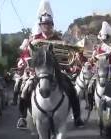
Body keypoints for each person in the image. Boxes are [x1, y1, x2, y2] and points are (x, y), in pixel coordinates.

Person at [16, 1, 84, 129]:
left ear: (52, 25)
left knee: (72, 89)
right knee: (25, 89)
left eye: (48, 24)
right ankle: (22, 117)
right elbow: (25, 54)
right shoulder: (34, 40)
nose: (46, 26)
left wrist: (71, 66)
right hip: (37, 72)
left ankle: (77, 117)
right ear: (40, 26)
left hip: (56, 73)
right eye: (43, 24)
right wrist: (23, 62)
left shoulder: (59, 40)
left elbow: (65, 58)